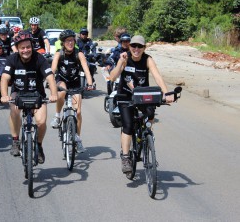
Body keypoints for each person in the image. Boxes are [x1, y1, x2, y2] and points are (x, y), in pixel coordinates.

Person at [109, 35, 174, 174]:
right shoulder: (125, 57)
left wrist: (166, 93)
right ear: (129, 46)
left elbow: (157, 76)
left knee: (150, 114)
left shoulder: (148, 59)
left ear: (144, 48)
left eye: (140, 46)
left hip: (143, 96)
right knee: (128, 125)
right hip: (125, 96)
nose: (136, 49)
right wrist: (120, 62)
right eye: (133, 46)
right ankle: (126, 157)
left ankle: (146, 137)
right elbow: (113, 77)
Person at [0, 30, 58, 163]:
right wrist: (4, 95)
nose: (26, 50)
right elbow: (4, 79)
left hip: (37, 94)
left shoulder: (40, 58)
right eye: (22, 48)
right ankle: (15, 141)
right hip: (18, 93)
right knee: (14, 111)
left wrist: (54, 94)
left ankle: (38, 145)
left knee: (41, 122)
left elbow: (50, 77)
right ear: (18, 48)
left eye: (28, 47)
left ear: (32, 46)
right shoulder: (12, 59)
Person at [50, 29, 94, 153]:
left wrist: (90, 83)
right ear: (63, 43)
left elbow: (86, 70)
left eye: (72, 40)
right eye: (67, 41)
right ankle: (57, 116)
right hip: (61, 80)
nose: (70, 43)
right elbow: (53, 69)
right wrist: (50, 82)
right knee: (62, 91)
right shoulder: (59, 54)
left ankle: (77, 138)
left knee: (78, 112)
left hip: (74, 83)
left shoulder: (78, 54)